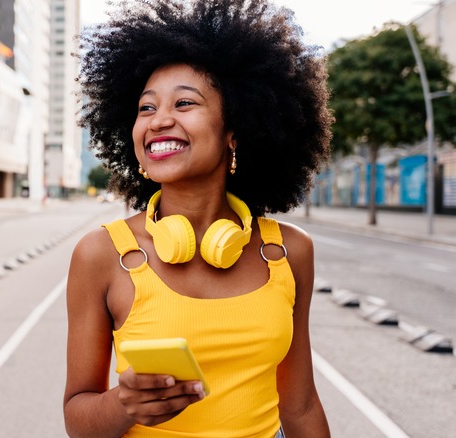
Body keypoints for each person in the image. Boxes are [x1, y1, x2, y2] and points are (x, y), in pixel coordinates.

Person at [64, 1, 333, 436]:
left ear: (235, 131)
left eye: (184, 103)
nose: (160, 121)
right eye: (146, 108)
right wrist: (124, 403)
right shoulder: (101, 254)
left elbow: (300, 407)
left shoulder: (289, 251)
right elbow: (78, 420)